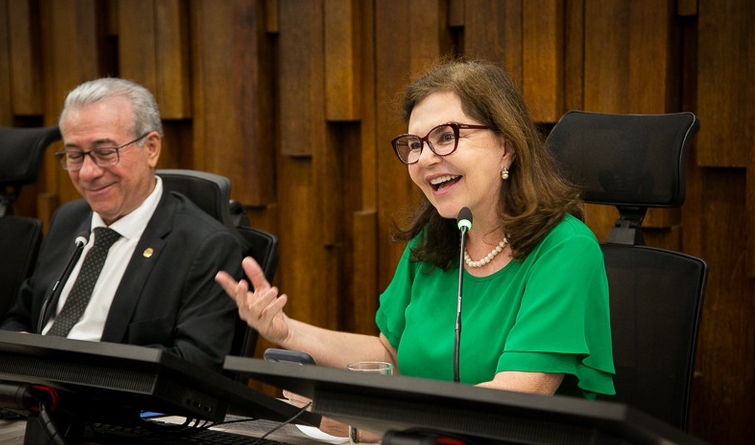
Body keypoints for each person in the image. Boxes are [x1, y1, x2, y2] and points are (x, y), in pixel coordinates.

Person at [216, 58, 615, 398]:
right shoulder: (435, 242)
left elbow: (518, 396)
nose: (424, 158)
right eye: (415, 144)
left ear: (507, 146)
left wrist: (370, 418)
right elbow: (390, 356)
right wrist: (286, 332)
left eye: (446, 136)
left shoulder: (565, 248)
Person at [1, 78, 243, 370]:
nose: (87, 173)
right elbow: (22, 316)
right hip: (30, 388)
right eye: (75, 155)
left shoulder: (205, 245)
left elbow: (196, 362)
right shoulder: (68, 219)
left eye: (105, 153)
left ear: (151, 148)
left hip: (112, 395)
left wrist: (72, 370)